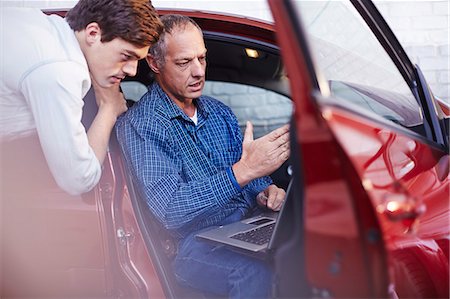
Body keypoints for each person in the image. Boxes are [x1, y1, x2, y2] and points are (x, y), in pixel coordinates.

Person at [116, 14, 290, 298]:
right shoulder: (143, 124)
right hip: (191, 245)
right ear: (155, 63)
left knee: (305, 249)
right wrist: (243, 172)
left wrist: (264, 190)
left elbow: (249, 177)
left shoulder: (219, 112)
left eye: (202, 58)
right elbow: (170, 211)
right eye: (184, 62)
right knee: (254, 271)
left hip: (246, 224)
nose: (198, 71)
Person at [0, 0, 162, 195]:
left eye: (137, 60)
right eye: (126, 56)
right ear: (93, 33)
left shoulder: (41, 28)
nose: (132, 71)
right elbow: (78, 179)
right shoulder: (61, 70)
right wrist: (109, 109)